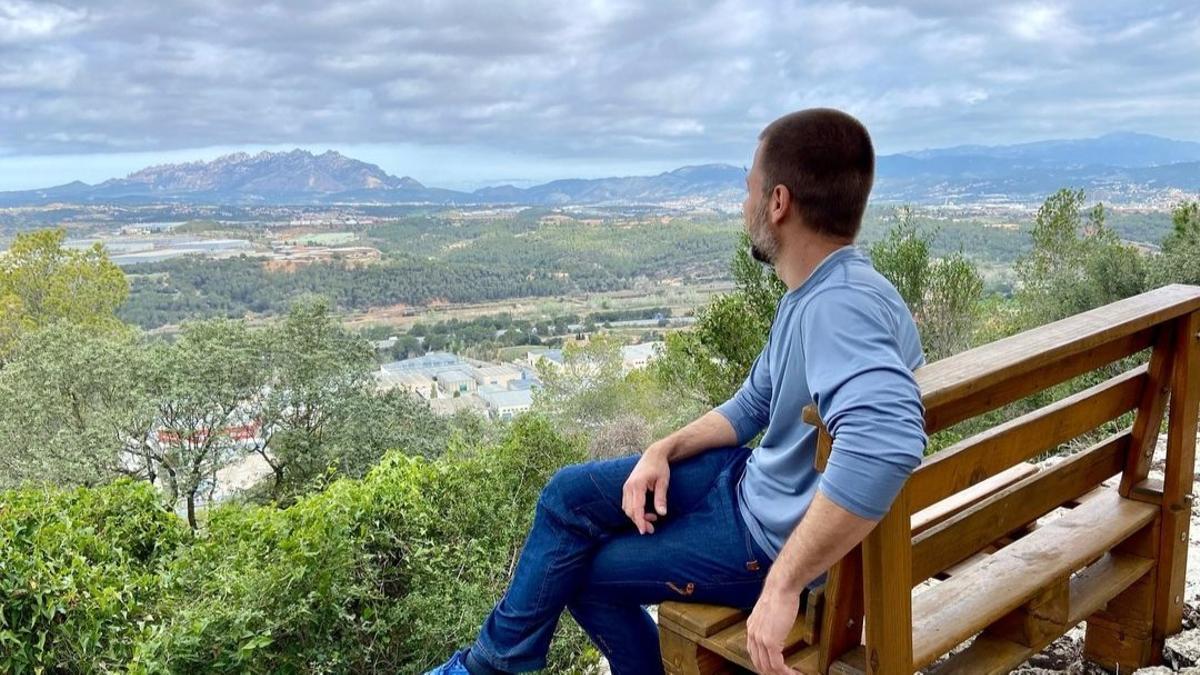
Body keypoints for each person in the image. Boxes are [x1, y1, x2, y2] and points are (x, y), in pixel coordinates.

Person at [425, 108, 927, 675]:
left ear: (779, 202)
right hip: (750, 483)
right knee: (566, 495)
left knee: (581, 572)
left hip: (766, 540)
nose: (745, 207)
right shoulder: (834, 289)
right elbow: (752, 405)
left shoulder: (838, 308)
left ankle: (489, 669)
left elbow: (886, 442)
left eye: (749, 190)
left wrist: (784, 584)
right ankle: (492, 665)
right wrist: (661, 449)